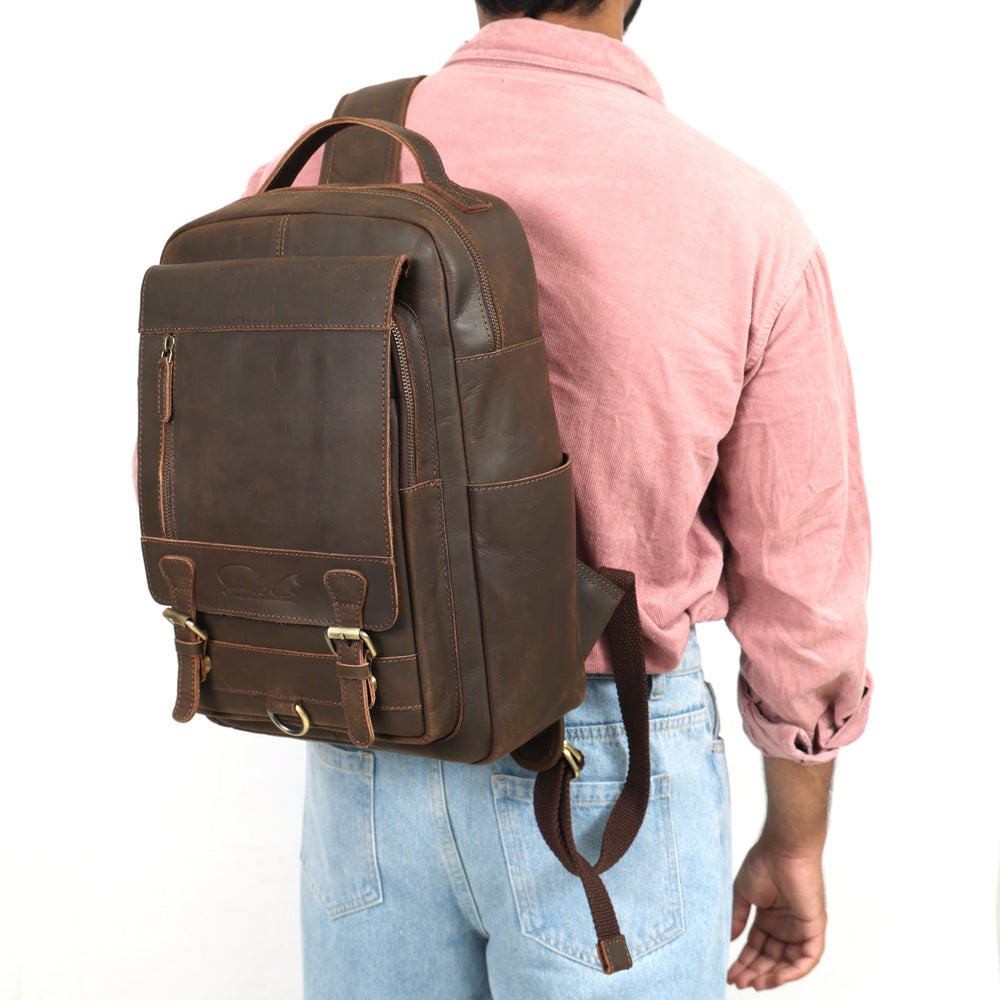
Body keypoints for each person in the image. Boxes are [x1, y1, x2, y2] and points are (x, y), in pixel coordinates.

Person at [244, 2, 872, 996]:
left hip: (364, 728)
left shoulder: (324, 166)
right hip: (609, 765)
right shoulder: (739, 215)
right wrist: (797, 837)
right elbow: (804, 582)